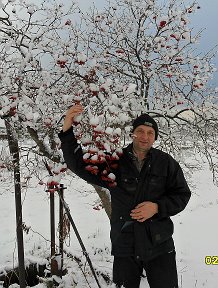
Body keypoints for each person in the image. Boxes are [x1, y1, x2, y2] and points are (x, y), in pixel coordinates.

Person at [58, 104, 191, 288]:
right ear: (133, 134)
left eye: (150, 133)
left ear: (155, 137)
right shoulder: (115, 160)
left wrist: (157, 207)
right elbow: (79, 164)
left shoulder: (166, 163)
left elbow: (182, 195)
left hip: (159, 244)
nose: (145, 136)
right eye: (140, 131)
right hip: (125, 245)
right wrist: (67, 129)